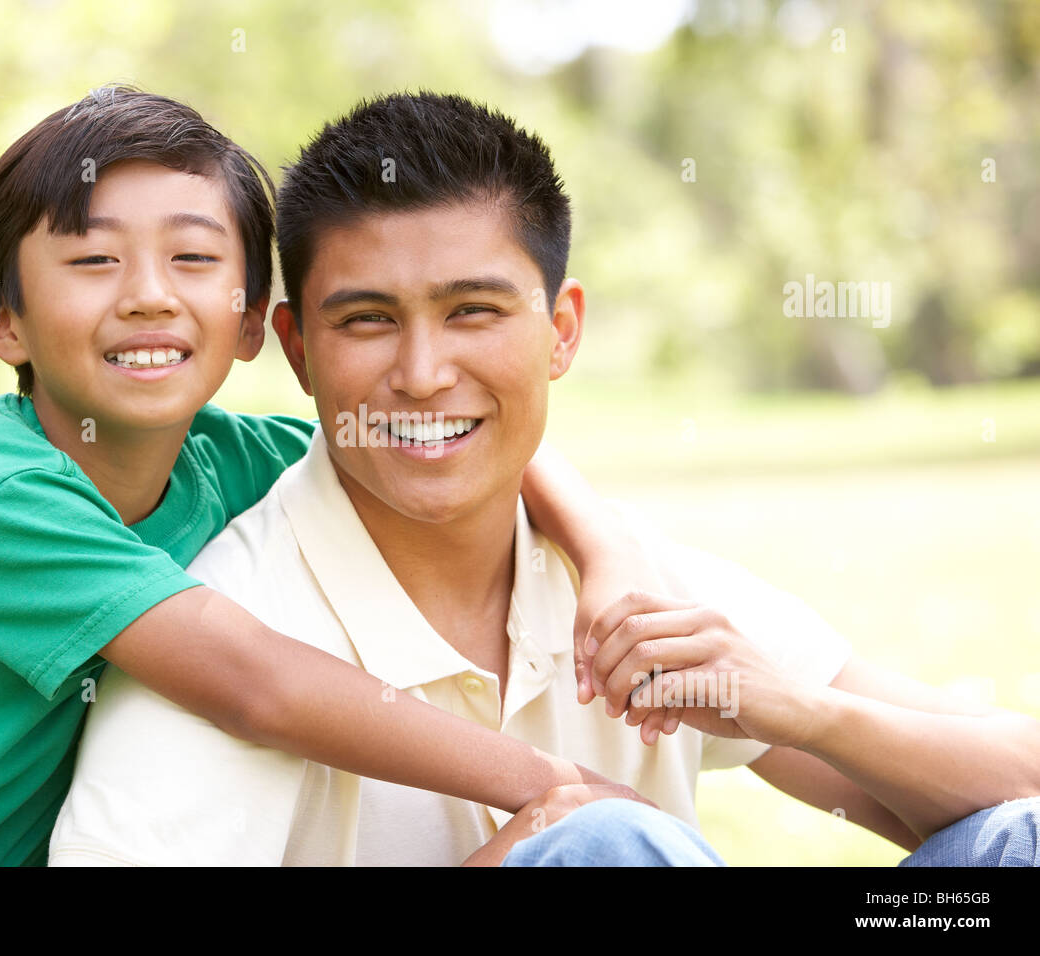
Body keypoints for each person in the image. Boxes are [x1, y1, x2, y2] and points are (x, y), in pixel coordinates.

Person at [51, 91, 1040, 867]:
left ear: (561, 329)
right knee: (602, 848)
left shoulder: (624, 582)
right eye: (367, 320)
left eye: (473, 310)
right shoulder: (228, 630)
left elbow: (1012, 779)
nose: (424, 371)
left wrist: (793, 708)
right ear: (297, 349)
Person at [0, 88, 671, 866]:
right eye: (95, 260)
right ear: (3, 320)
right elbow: (252, 683)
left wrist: (609, 555)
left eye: (192, 259)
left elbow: (451, 438)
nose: (149, 292)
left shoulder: (229, 458)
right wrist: (547, 785)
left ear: (253, 322)